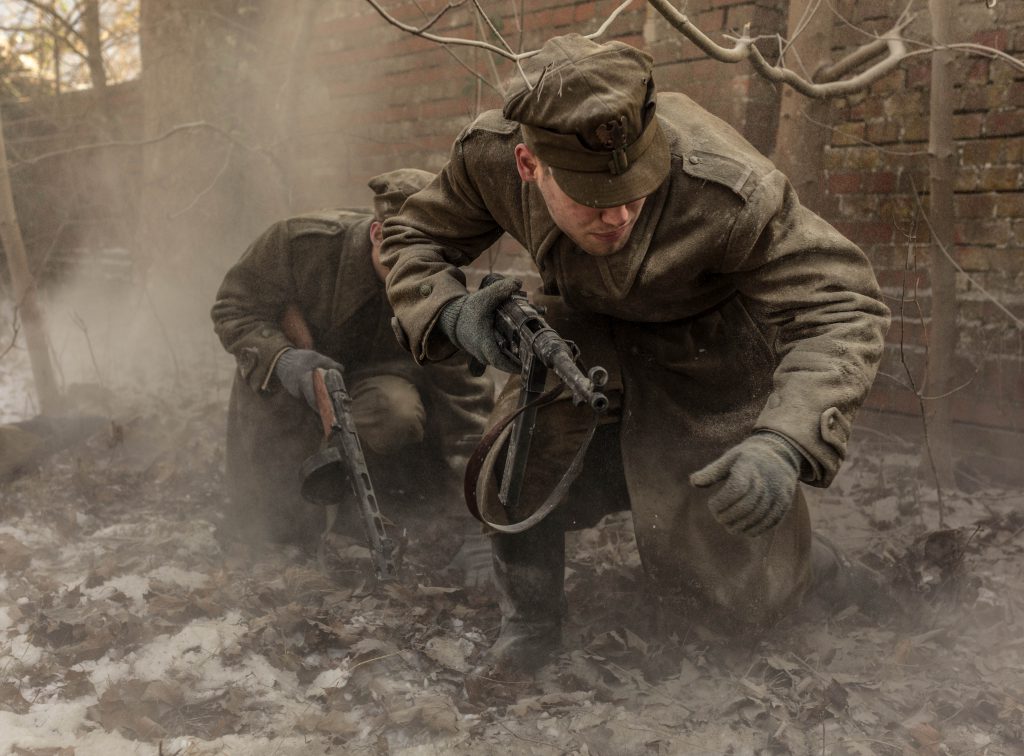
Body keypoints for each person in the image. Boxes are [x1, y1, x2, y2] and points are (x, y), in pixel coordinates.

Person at [381, 35, 892, 674]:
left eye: (636, 186)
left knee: (738, 590)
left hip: (705, 354)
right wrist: (453, 313)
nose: (619, 214)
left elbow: (845, 304)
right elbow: (411, 236)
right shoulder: (486, 158)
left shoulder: (730, 189)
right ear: (527, 164)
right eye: (592, 196)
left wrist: (784, 440)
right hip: (580, 334)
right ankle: (531, 624)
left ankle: (825, 573)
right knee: (520, 462)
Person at [211, 169, 494, 549]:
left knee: (398, 412)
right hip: (286, 386)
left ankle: (363, 513)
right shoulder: (299, 244)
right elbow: (234, 306)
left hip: (372, 395)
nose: (415, 275)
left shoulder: (440, 296)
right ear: (377, 234)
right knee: (272, 534)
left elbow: (467, 409)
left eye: (430, 260)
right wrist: (283, 359)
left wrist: (473, 521)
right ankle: (286, 515)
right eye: (405, 257)